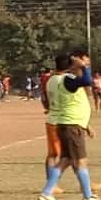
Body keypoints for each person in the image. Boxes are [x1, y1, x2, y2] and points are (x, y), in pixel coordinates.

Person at [38, 49, 101, 200]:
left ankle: (47, 192)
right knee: (80, 161)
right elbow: (86, 81)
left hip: (65, 123)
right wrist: (84, 67)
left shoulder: (52, 80)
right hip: (72, 124)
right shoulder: (66, 79)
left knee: (66, 160)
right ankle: (87, 196)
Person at [41, 54, 69, 190]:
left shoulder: (50, 80)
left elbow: (45, 100)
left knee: (54, 154)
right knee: (72, 154)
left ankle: (51, 183)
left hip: (52, 119)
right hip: (64, 119)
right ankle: (51, 184)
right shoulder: (67, 80)